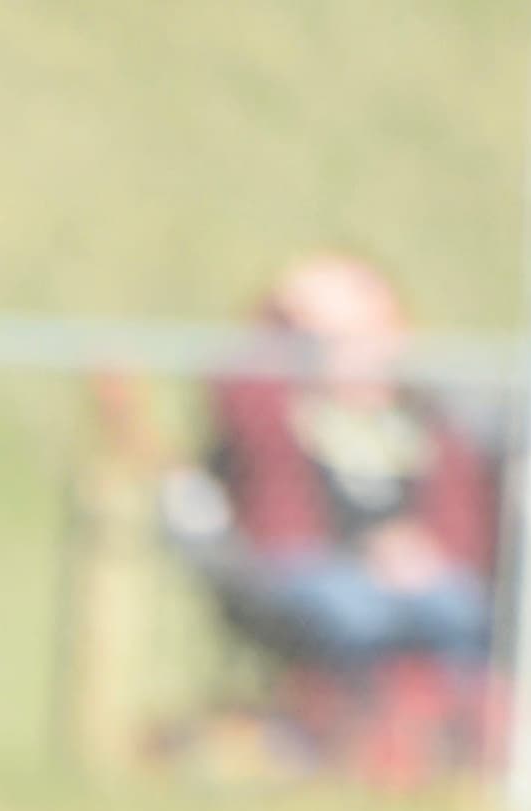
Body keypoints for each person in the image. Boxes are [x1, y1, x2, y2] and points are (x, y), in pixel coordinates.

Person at [205, 254, 496, 782]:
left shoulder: (426, 412)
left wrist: (426, 554)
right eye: (331, 334)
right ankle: (354, 745)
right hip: (310, 565)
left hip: (415, 571)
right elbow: (240, 396)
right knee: (354, 609)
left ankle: (459, 750)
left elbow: (462, 510)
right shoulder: (279, 399)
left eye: (368, 331)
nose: (353, 348)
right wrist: (284, 318)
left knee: (459, 609)